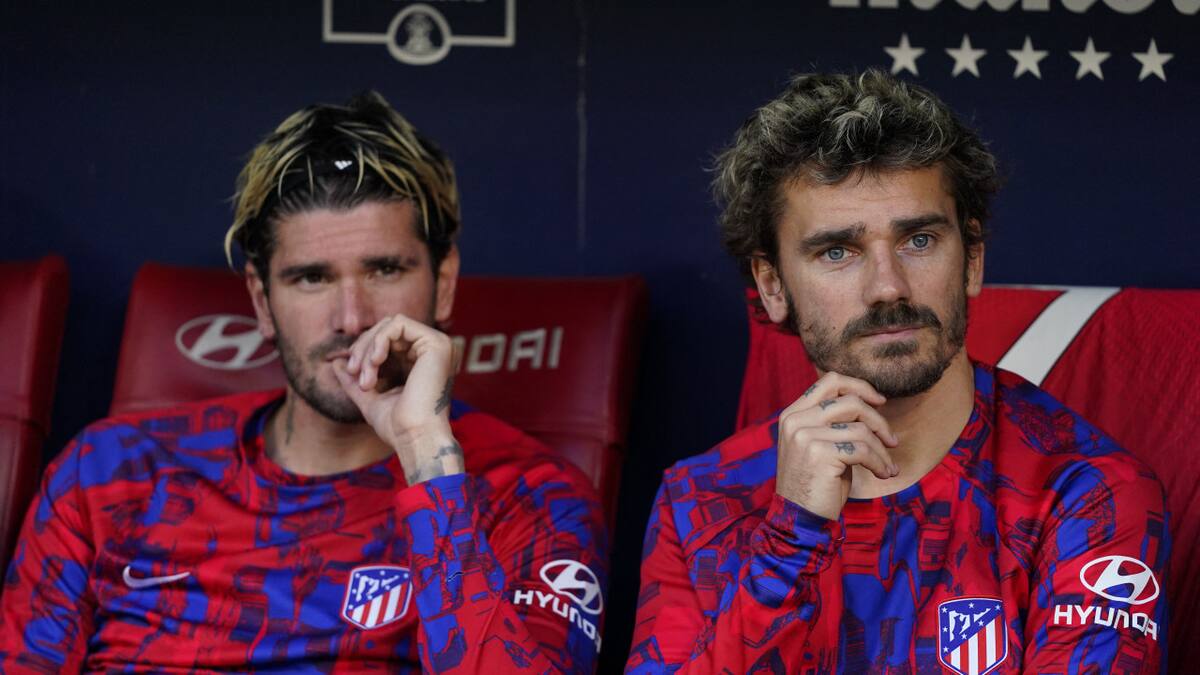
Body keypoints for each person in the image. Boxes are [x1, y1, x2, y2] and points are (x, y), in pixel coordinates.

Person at [0, 92, 607, 673]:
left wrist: (428, 459)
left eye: (386, 269)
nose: (352, 317)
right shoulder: (107, 474)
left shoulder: (532, 496)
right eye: (311, 278)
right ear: (262, 301)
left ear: (443, 282)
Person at [626, 71, 1168, 673]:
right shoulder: (699, 501)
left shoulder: (1088, 492)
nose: (888, 287)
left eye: (918, 240)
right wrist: (790, 540)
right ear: (773, 285)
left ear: (972, 261)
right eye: (837, 251)